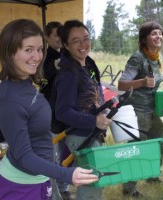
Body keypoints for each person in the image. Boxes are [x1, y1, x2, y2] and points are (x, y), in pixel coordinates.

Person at [0, 19, 98, 200]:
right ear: (9, 51)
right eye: (28, 50)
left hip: (38, 178)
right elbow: (24, 155)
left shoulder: (26, 81)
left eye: (40, 49)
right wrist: (67, 174)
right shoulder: (8, 99)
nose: (37, 56)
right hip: (21, 186)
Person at [118, 21, 163, 197]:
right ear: (144, 38)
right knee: (135, 150)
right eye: (154, 33)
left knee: (160, 143)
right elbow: (122, 84)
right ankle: (129, 188)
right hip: (137, 112)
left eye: (160, 33)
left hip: (151, 110)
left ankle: (152, 175)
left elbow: (153, 82)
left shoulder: (154, 58)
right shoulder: (137, 58)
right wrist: (142, 82)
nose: (158, 36)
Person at [53, 19, 112, 200]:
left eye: (86, 38)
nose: (83, 44)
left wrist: (104, 109)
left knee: (92, 183)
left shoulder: (87, 65)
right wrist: (94, 120)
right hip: (80, 136)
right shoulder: (69, 73)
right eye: (76, 41)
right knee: (91, 187)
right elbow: (62, 112)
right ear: (65, 45)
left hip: (91, 134)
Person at [41, 21, 72, 200]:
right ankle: (50, 189)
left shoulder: (68, 55)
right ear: (47, 38)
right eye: (56, 35)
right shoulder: (43, 57)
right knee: (52, 153)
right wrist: (54, 67)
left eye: (62, 35)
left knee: (67, 152)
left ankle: (64, 188)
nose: (60, 39)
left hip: (67, 112)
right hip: (49, 113)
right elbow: (41, 81)